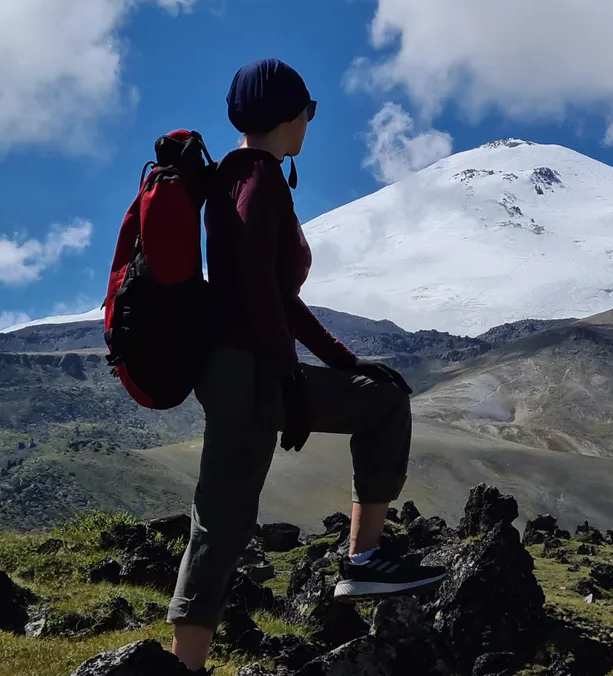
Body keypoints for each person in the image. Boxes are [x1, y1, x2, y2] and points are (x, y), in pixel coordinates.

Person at [168, 58, 447, 673]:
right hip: (250, 370)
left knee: (221, 521)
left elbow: (273, 296)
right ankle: (363, 562)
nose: (310, 123)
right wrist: (291, 380)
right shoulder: (261, 181)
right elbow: (262, 293)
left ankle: (184, 664)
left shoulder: (228, 178)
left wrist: (346, 362)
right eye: (309, 112)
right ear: (290, 117)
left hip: (229, 369)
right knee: (382, 409)